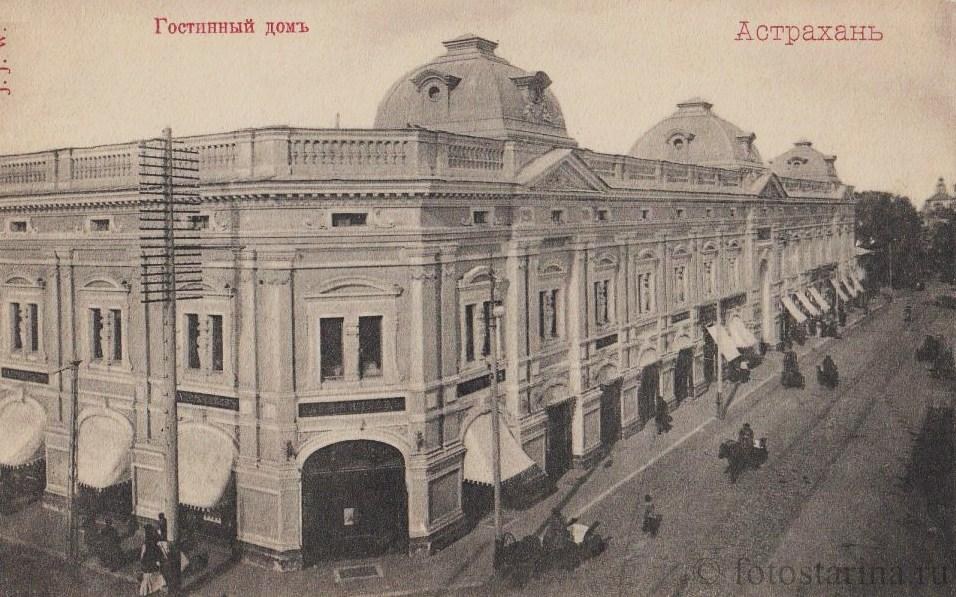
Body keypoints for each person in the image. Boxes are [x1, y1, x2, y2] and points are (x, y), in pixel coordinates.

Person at [139, 525, 166, 596]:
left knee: (147, 580)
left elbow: (142, 556)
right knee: (154, 579)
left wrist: (142, 563)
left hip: (147, 566)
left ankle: (147, 592)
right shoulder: (155, 543)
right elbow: (159, 553)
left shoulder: (146, 544)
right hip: (153, 565)